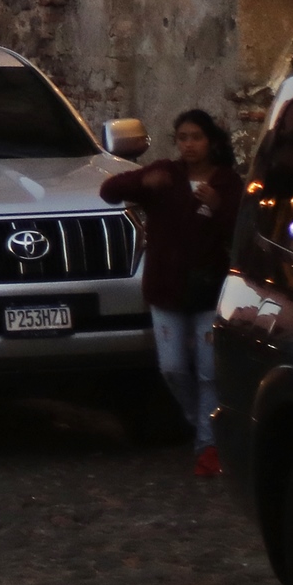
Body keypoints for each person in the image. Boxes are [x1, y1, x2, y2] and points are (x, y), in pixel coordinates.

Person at [101, 108, 245, 477]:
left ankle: (207, 446)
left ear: (211, 142)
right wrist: (146, 183)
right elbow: (110, 191)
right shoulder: (166, 174)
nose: (189, 144)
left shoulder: (228, 184)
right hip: (166, 288)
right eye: (183, 138)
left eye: (196, 137)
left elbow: (243, 232)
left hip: (210, 290)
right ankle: (201, 425)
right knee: (174, 368)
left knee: (209, 372)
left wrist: (218, 208)